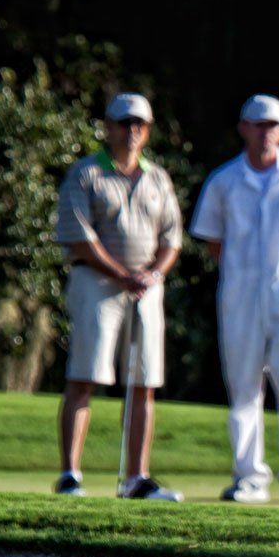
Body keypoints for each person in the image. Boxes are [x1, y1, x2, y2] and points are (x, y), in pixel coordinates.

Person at [189, 94, 279, 504]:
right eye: (257, 124)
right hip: (240, 300)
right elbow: (213, 240)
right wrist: (246, 275)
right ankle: (249, 476)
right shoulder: (223, 181)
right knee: (243, 387)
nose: (264, 133)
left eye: (272, 125)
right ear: (242, 128)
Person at [51, 92, 184, 501]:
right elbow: (80, 239)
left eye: (139, 124)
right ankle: (71, 474)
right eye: (124, 123)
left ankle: (136, 478)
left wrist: (153, 273)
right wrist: (123, 274)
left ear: (147, 131)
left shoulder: (158, 177)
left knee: (144, 382)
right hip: (97, 284)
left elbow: (171, 237)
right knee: (84, 377)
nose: (131, 131)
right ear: (107, 127)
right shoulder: (86, 173)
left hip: (146, 288)